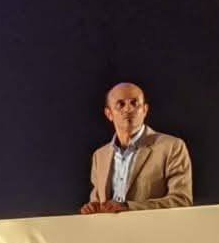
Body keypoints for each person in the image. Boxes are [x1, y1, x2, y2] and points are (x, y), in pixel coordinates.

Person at [81, 83, 193, 213]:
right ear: (109, 114)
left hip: (153, 226)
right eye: (121, 104)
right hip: (109, 227)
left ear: (145, 110)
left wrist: (128, 207)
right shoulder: (100, 156)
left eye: (134, 103)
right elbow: (97, 201)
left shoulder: (172, 147)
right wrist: (93, 207)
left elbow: (181, 201)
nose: (128, 109)